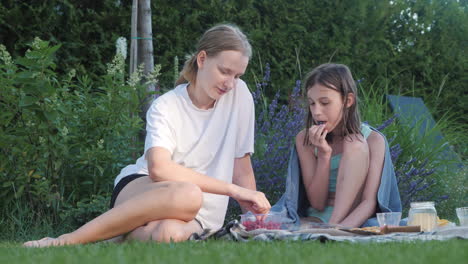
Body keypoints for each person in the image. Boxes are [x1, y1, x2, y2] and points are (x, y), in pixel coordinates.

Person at [24, 24, 271, 247]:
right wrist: (234, 191)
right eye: (225, 71)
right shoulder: (166, 105)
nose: (230, 83)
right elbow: (159, 169)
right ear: (202, 59)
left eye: (237, 76)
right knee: (188, 193)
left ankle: (112, 236)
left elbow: (241, 164)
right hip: (144, 189)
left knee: (168, 234)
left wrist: (255, 219)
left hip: (200, 214)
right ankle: (65, 241)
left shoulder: (240, 96)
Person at [270, 63, 401, 228]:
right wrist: (324, 155)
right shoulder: (305, 139)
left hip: (354, 218)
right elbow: (317, 203)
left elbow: (369, 202)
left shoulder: (373, 141)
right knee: (274, 226)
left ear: (348, 101)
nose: (316, 112)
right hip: (316, 218)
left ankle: (332, 228)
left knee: (354, 144)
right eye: (312, 103)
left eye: (325, 103)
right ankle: (327, 229)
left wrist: (336, 229)